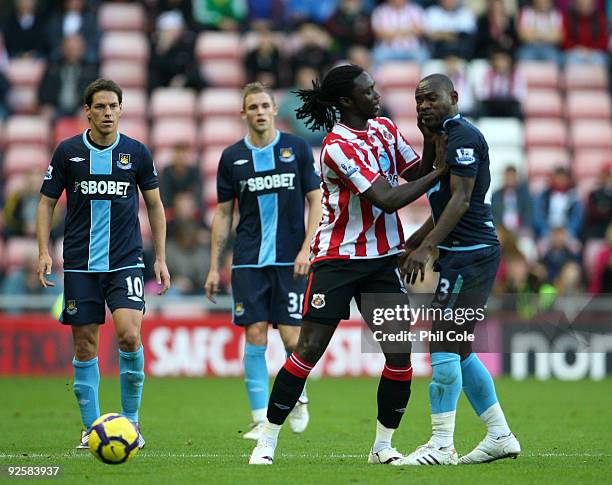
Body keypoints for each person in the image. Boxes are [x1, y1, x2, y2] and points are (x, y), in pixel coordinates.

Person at [248, 64, 448, 465]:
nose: (377, 95)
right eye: (368, 91)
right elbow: (388, 198)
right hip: (339, 259)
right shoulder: (338, 146)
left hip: (381, 261)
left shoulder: (385, 128)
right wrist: (444, 170)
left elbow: (415, 172)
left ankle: (382, 447)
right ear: (346, 101)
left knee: (398, 353)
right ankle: (266, 440)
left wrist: (430, 141)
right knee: (308, 350)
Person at [36, 78, 171, 450]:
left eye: (113, 106)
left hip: (125, 261)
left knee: (129, 334)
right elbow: (46, 202)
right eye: (100, 107)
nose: (107, 112)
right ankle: (90, 427)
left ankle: (131, 423)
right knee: (85, 346)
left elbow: (156, 206)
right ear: (88, 112)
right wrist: (44, 251)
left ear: (121, 109)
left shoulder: (137, 153)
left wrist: (159, 257)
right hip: (80, 264)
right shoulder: (67, 153)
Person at [400, 74, 520, 465]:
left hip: (472, 254)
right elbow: (428, 191)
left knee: (443, 343)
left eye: (430, 98)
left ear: (453, 96)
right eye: (418, 100)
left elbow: (461, 200)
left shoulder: (463, 135)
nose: (423, 105)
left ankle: (441, 445)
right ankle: (500, 435)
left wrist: (427, 247)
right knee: (460, 348)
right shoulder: (441, 139)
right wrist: (417, 241)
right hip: (461, 254)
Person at [204, 82, 323, 440]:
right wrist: (214, 266)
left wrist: (307, 248)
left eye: (264, 106)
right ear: (244, 113)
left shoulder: (296, 148)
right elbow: (224, 215)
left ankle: (298, 396)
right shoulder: (231, 158)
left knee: (292, 338)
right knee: (254, 334)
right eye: (252, 106)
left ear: (274, 110)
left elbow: (316, 200)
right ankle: (260, 418)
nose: (259, 112)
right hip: (248, 260)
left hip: (290, 259)